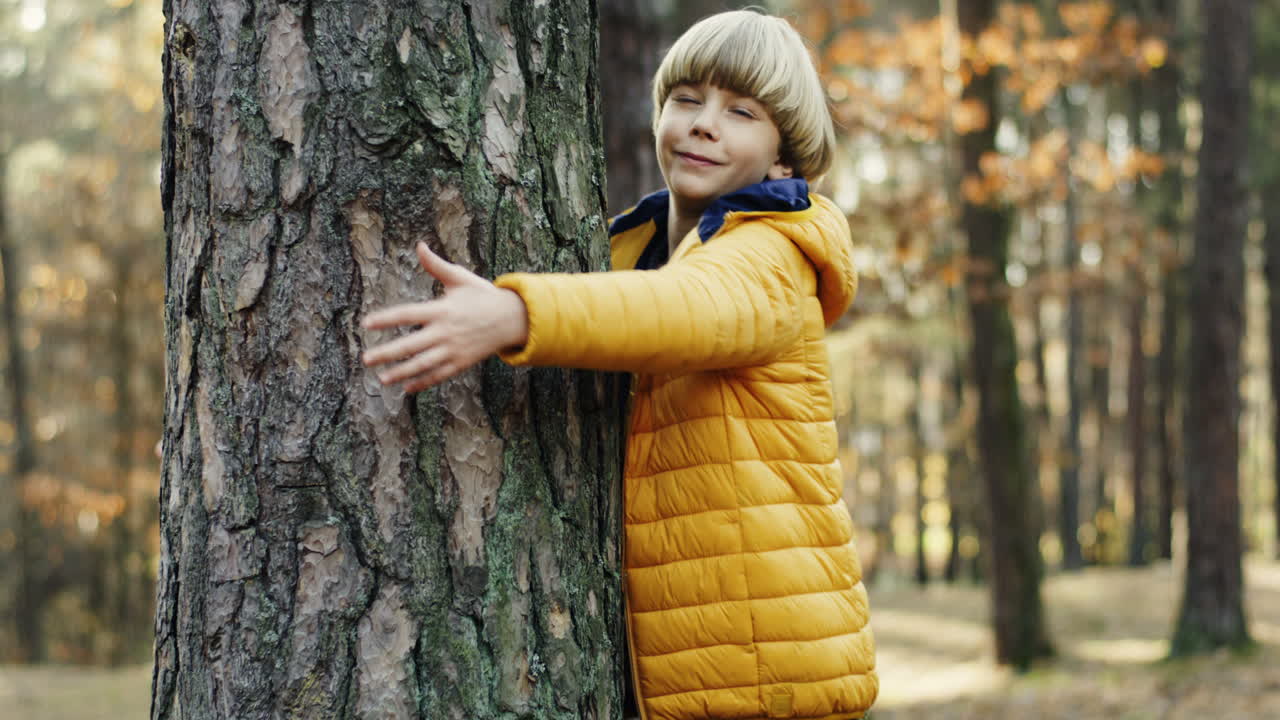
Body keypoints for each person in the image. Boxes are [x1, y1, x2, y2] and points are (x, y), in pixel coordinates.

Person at [362, 10, 877, 720]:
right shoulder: (635, 249)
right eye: (687, 98)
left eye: (741, 111)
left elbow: (685, 310)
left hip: (766, 672)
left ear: (784, 158)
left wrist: (516, 315)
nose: (703, 123)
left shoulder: (777, 254)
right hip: (699, 663)